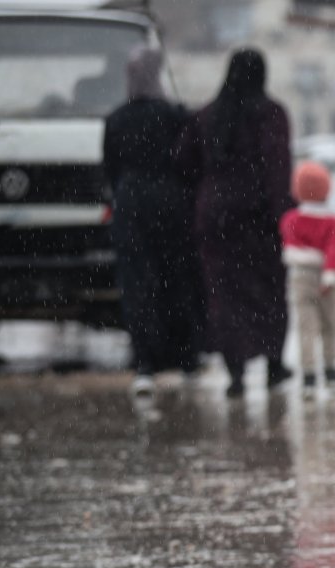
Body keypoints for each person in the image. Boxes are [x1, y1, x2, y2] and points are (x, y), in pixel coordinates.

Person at [177, 48, 294, 398]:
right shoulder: (271, 115)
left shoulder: (206, 117)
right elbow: (278, 168)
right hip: (259, 220)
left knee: (224, 296)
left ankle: (236, 374)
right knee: (268, 293)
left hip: (215, 220)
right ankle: (274, 364)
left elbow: (183, 163)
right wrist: (283, 217)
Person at [102, 47, 203, 396]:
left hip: (131, 208)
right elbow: (191, 164)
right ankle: (186, 358)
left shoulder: (115, 119)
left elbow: (111, 171)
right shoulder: (175, 115)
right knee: (177, 280)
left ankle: (145, 362)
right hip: (172, 207)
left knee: (138, 285)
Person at [279, 161, 335, 399]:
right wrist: (329, 273)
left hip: (300, 276)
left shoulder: (290, 219)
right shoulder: (332, 222)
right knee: (329, 325)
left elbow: (290, 246)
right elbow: (334, 251)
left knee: (305, 327)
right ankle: (331, 369)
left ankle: (308, 374)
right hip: (327, 279)